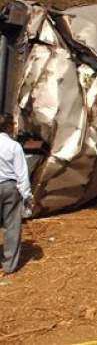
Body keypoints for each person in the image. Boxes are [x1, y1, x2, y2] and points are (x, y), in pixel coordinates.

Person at [0, 114, 31, 275]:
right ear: (9, 127)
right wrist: (26, 196)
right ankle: (9, 266)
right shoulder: (14, 146)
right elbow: (22, 175)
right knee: (12, 226)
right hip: (10, 187)